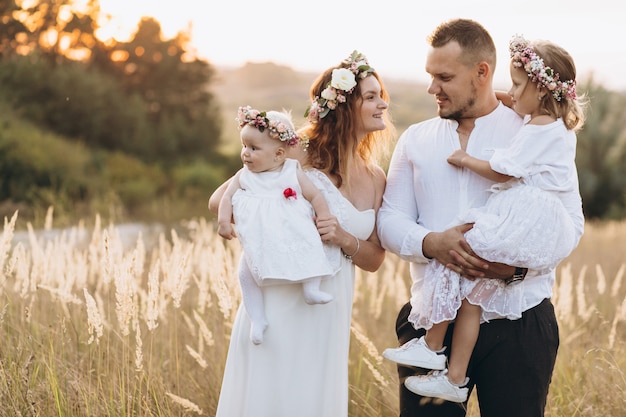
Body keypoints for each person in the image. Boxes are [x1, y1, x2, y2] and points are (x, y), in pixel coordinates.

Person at [377, 19, 584, 417]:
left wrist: (515, 270)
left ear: (482, 73)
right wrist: (431, 243)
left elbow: (568, 222)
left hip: (518, 319)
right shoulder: (415, 140)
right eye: (430, 76)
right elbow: (389, 219)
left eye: (444, 77)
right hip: (430, 320)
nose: (431, 88)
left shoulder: (535, 132)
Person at [209, 50, 393, 417]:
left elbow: (374, 258)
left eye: (381, 94)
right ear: (343, 105)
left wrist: (342, 237)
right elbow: (220, 201)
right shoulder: (296, 151)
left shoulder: (376, 178)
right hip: (278, 300)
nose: (382, 103)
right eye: (370, 97)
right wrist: (285, 221)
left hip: (327, 308)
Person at [216, 105, 341, 345]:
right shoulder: (243, 175)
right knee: (245, 273)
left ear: (279, 154)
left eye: (254, 148)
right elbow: (226, 198)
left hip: (292, 231)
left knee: (309, 249)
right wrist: (224, 222)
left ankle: (311, 288)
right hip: (259, 238)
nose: (246, 154)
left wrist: (323, 216)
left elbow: (315, 196)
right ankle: (258, 318)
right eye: (244, 146)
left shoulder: (292, 171)